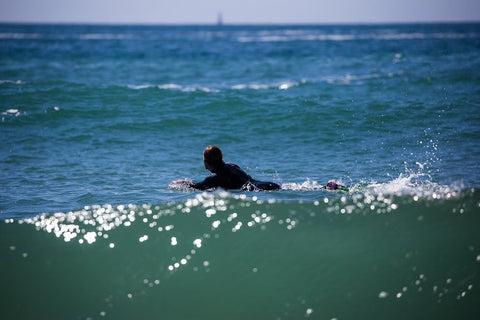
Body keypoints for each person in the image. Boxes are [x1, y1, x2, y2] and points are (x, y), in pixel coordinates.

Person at [171, 145, 281, 191]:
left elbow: (195, 187)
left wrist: (182, 183)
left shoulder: (214, 178)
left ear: (205, 162)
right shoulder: (232, 165)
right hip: (267, 184)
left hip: (258, 189)